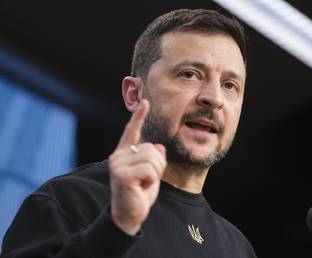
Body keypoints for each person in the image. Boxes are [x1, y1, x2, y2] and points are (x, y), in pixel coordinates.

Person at [1, 9, 257, 258]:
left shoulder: (238, 247)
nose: (213, 98)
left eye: (229, 85)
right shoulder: (68, 201)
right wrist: (118, 225)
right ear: (134, 94)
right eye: (189, 75)